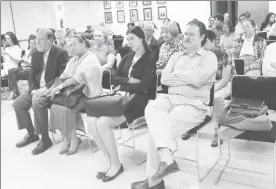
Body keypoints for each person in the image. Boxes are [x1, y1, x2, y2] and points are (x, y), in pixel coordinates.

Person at [131, 19, 218, 189]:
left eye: (191, 34)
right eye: (185, 33)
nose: (186, 37)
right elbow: (164, 79)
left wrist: (177, 75)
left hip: (194, 106)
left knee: (156, 132)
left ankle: (153, 180)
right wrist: (188, 77)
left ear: (202, 37)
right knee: (152, 106)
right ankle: (167, 160)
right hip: (171, 100)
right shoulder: (176, 56)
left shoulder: (210, 57)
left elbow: (199, 79)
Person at [86, 26, 156, 183]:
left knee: (103, 122)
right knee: (91, 121)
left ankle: (116, 165)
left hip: (139, 100)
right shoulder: (127, 57)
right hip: (122, 98)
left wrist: (125, 84)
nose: (128, 42)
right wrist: (129, 81)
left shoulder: (150, 58)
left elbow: (144, 86)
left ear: (141, 39)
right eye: (128, 39)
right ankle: (109, 161)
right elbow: (114, 79)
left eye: (132, 39)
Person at [12, 28, 69, 155]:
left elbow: (61, 76)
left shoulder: (61, 53)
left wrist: (45, 88)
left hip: (53, 89)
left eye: (40, 40)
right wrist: (33, 90)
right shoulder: (36, 53)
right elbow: (32, 75)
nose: (37, 43)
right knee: (18, 103)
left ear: (50, 40)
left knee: (37, 103)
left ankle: (45, 139)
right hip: (36, 89)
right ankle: (32, 134)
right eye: (36, 40)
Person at [47, 33, 103, 155]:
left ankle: (74, 139)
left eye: (75, 44)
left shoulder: (91, 58)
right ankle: (67, 138)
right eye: (70, 45)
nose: (72, 47)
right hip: (76, 92)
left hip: (90, 94)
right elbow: (64, 75)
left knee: (67, 108)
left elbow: (76, 79)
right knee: (55, 106)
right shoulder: (73, 59)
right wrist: (52, 88)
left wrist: (60, 86)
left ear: (83, 43)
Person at [182, 30, 235, 147]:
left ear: (213, 42)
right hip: (209, 83)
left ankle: (219, 130)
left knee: (217, 97)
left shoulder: (225, 54)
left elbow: (225, 79)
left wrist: (210, 90)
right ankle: (194, 123)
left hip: (225, 83)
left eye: (205, 43)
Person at [7, 34, 37, 100]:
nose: (31, 45)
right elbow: (22, 60)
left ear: (36, 43)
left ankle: (15, 93)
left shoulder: (37, 52)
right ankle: (13, 92)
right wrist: (23, 59)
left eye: (33, 43)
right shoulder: (27, 51)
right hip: (24, 67)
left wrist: (25, 60)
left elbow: (33, 63)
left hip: (30, 68)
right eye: (30, 43)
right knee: (10, 71)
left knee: (15, 73)